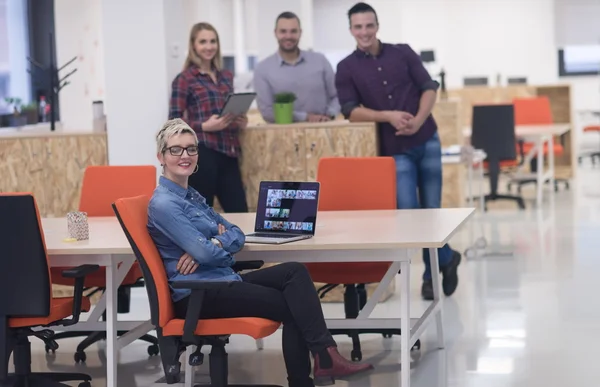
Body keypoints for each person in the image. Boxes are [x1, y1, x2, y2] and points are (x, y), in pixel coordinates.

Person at [147, 118, 373, 387]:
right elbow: (206, 253)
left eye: (191, 149)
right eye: (176, 150)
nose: (185, 156)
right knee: (294, 306)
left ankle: (325, 358)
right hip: (199, 292)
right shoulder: (164, 204)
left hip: (220, 279)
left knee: (294, 272)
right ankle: (314, 371)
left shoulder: (191, 195)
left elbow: (236, 233)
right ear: (161, 156)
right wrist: (211, 246)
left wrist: (216, 243)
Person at [334, 2, 461, 301]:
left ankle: (431, 277)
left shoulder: (403, 51)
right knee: (410, 215)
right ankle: (447, 258)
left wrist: (417, 119)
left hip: (427, 139)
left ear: (377, 26)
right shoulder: (346, 67)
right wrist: (389, 115)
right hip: (395, 150)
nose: (364, 32)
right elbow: (350, 111)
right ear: (351, 30)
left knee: (431, 210)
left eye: (369, 25)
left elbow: (430, 87)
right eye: (358, 27)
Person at [169, 22, 248, 213]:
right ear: (193, 45)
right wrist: (204, 126)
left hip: (229, 152)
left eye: (213, 41)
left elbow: (226, 111)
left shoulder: (226, 76)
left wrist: (239, 120)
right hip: (203, 153)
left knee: (240, 213)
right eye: (203, 42)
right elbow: (173, 122)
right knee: (203, 217)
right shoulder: (185, 79)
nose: (209, 46)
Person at [254, 11, 340, 123]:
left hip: (322, 131)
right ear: (275, 33)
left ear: (300, 32)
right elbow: (267, 112)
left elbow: (337, 96)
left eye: (293, 31)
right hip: (283, 136)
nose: (288, 36)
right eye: (283, 31)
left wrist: (330, 114)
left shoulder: (320, 61)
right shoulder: (263, 69)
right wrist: (306, 117)